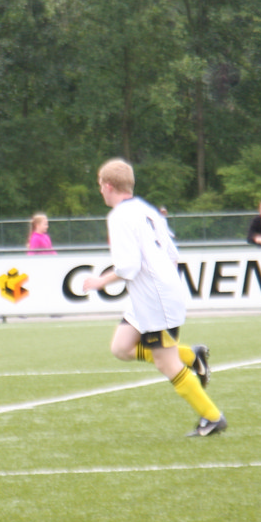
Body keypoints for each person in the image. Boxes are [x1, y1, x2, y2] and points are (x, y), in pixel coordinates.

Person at [81, 158, 225, 437]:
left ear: (108, 186)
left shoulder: (119, 217)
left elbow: (128, 267)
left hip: (156, 299)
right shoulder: (147, 210)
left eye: (100, 185)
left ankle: (212, 418)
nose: (100, 191)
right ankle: (191, 354)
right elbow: (172, 255)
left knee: (165, 363)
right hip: (152, 296)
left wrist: (100, 281)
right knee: (121, 347)